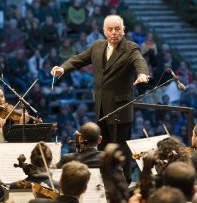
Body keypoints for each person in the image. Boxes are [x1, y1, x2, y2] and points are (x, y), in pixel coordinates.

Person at [51, 14, 149, 182]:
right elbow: (78, 59)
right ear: (104, 31)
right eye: (110, 29)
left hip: (120, 109)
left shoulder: (131, 48)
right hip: (101, 107)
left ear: (123, 30)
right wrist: (62, 68)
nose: (114, 33)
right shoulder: (97, 46)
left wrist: (142, 74)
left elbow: (139, 61)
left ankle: (123, 185)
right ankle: (104, 182)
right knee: (103, 150)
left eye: (117, 29)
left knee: (121, 151)